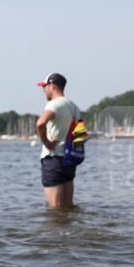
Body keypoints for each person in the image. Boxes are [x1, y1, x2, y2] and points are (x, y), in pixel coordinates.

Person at [35, 72, 80, 208]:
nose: (43, 90)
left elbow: (40, 123)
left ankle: (55, 230)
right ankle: (70, 230)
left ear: (52, 85)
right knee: (68, 208)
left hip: (53, 159)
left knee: (55, 210)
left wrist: (46, 142)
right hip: (69, 160)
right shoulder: (74, 107)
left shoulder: (53, 104)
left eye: (45, 86)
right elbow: (81, 135)